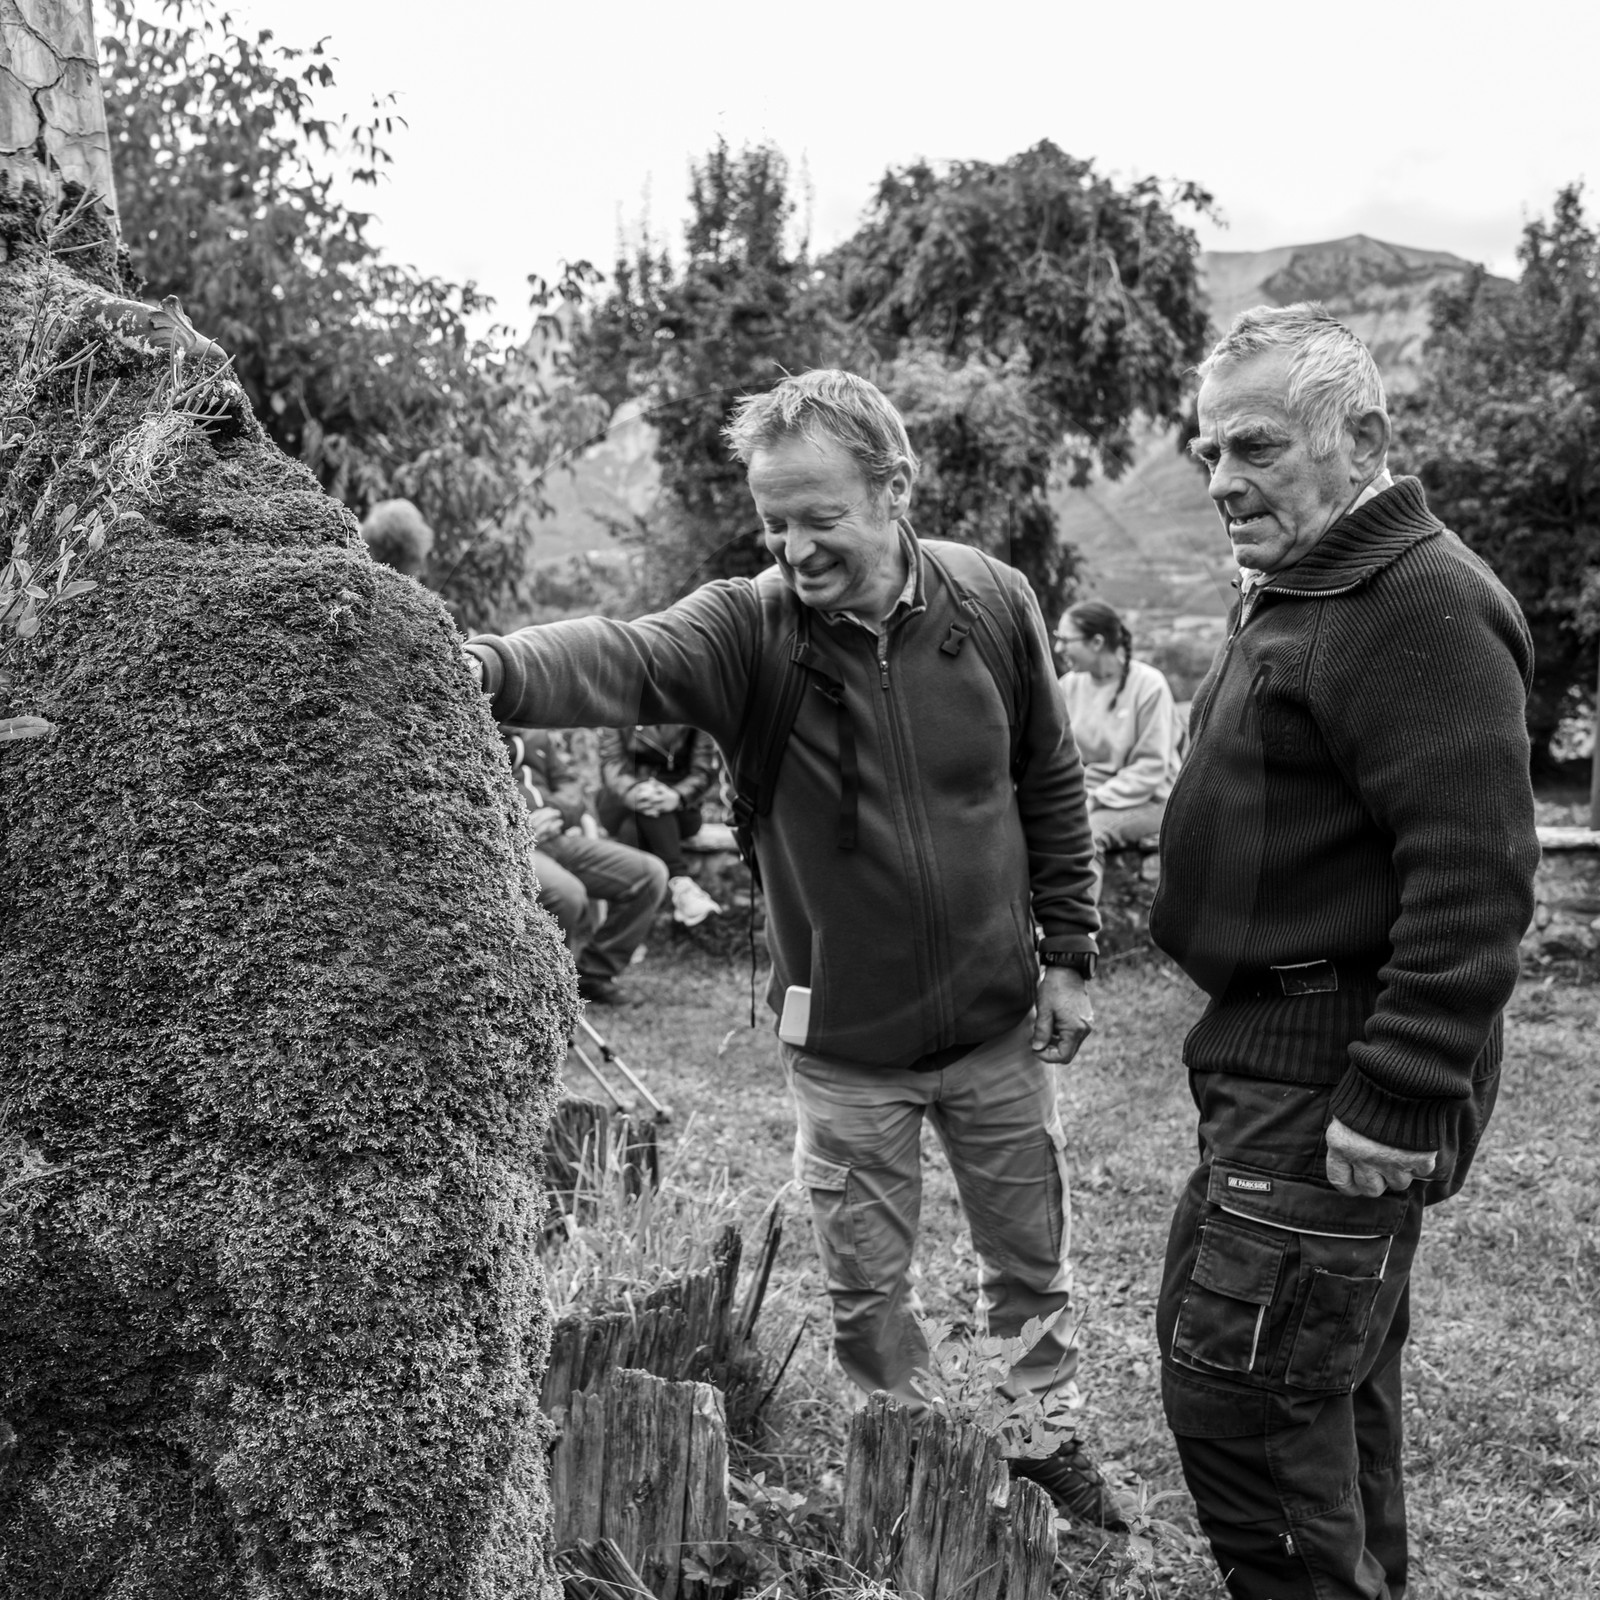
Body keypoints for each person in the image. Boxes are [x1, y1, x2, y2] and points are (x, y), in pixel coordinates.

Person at [464, 369, 1126, 1529]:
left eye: (822, 518)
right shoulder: (749, 628)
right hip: (844, 1043)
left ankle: (1041, 1438)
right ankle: (903, 1462)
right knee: (870, 1290)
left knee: (1029, 1257)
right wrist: (483, 667)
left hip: (996, 1023)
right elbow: (618, 653)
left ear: (893, 488)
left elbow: (1048, 783)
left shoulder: (990, 601)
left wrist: (1066, 949)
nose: (796, 547)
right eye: (775, 522)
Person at [1150, 303, 1539, 1599]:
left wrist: (1395, 1089)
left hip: (1328, 1091)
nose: (1221, 479)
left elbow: (1475, 875)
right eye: (1209, 452)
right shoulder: (1320, 582)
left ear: (1361, 434)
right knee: (1324, 1401)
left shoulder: (1415, 600)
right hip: (1280, 1067)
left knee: (1250, 1415)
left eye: (1253, 446)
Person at [501, 725, 669, 1006]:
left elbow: (570, 786)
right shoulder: (475, 737)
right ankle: (548, 996)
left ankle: (595, 975)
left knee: (649, 874)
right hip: (511, 847)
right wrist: (519, 823)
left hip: (557, 837)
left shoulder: (536, 736)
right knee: (566, 894)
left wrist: (555, 811)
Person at [1055, 600, 1181, 897]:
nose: (1058, 648)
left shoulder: (1148, 685)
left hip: (1150, 799)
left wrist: (1095, 799)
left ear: (1097, 642)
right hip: (1091, 794)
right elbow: (1057, 755)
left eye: (1065, 640)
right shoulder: (1068, 687)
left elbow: (1150, 768)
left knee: (1086, 834)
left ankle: (1078, 935)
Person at [597, 725, 723, 926]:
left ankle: (624, 927)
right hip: (623, 800)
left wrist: (677, 796)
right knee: (646, 806)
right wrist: (633, 791)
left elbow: (703, 770)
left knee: (633, 828)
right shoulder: (620, 708)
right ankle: (680, 883)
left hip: (681, 807)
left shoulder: (693, 710)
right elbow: (612, 764)